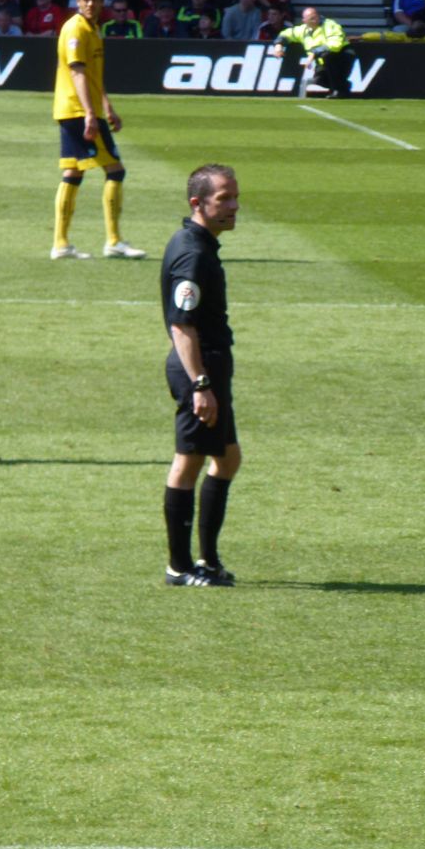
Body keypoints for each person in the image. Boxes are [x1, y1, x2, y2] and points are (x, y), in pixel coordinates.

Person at [161, 164, 242, 587]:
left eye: (235, 197)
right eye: (223, 199)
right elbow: (182, 326)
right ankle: (179, 566)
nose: (233, 206)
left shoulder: (202, 244)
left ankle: (208, 560)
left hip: (209, 365)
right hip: (198, 367)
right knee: (188, 462)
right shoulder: (193, 253)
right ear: (198, 203)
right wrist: (201, 384)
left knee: (227, 459)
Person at [51, 0, 146, 261]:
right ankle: (114, 241)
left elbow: (93, 76)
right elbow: (78, 72)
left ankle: (61, 244)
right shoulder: (76, 28)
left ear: (102, 2)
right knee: (115, 171)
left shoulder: (94, 30)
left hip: (75, 110)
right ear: (77, 1)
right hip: (79, 111)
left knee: (72, 173)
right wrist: (92, 114)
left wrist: (107, 106)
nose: (90, 4)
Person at [272, 6, 354, 98]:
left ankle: (338, 91)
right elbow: (286, 34)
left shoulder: (330, 25)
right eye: (310, 19)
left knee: (327, 55)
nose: (314, 20)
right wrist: (278, 46)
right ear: (304, 21)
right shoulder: (303, 30)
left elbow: (335, 45)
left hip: (342, 57)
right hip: (323, 62)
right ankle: (344, 86)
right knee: (319, 81)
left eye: (315, 17)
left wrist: (313, 53)